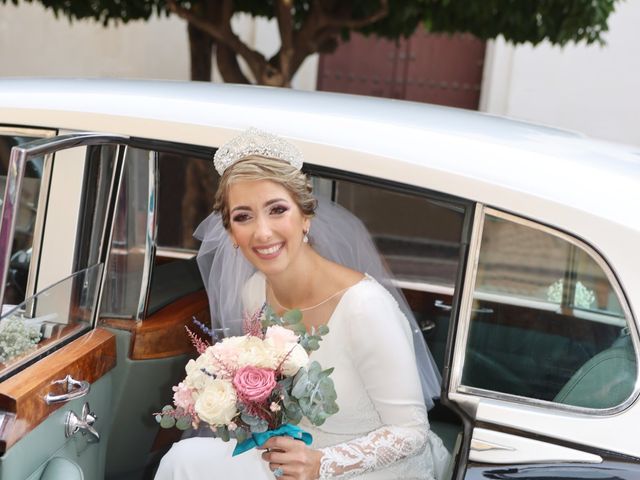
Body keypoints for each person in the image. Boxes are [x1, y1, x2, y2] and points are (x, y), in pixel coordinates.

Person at [155, 128, 450, 480]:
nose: (262, 232)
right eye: (243, 217)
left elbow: (411, 432)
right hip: (292, 458)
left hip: (371, 468)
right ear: (232, 234)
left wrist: (322, 464)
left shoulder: (364, 307)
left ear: (305, 216)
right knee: (182, 460)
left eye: (277, 210)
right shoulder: (255, 292)